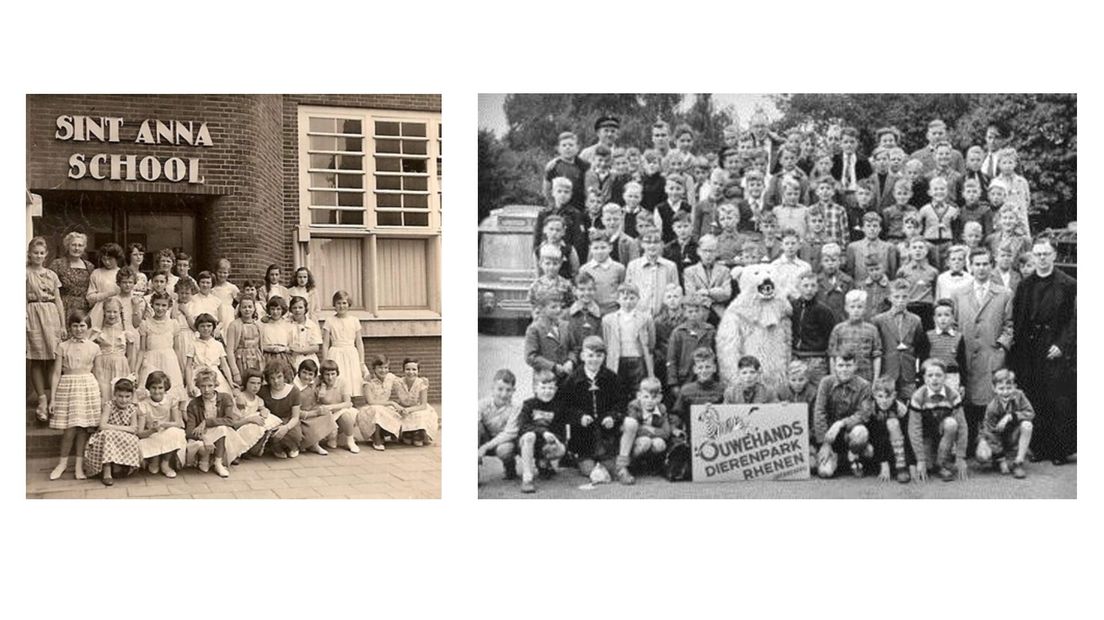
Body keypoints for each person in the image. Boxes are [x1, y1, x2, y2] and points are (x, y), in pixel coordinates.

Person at [1012, 235, 1076, 465]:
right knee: (1035, 396)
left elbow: (1074, 320)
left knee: (1058, 399)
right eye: (1037, 254)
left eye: (1045, 254)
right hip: (1031, 348)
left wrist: (1062, 344)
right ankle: (1039, 447)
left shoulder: (1068, 284)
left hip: (1055, 347)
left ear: (1054, 255)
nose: (1041, 258)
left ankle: (1059, 450)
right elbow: (1018, 319)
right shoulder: (1025, 285)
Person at [561, 336, 636, 484]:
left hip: (606, 434)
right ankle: (588, 464)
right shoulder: (572, 380)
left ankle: (621, 467)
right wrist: (579, 417)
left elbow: (621, 403)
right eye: (590, 355)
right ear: (582, 356)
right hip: (583, 436)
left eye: (599, 356)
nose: (594, 360)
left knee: (611, 467)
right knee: (590, 469)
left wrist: (612, 417)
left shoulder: (612, 378)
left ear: (604, 357)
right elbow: (565, 408)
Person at [48, 310, 102, 480]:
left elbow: (99, 373)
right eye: (75, 326)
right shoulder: (63, 346)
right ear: (70, 327)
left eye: (82, 325)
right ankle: (62, 463)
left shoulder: (94, 347)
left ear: (88, 327)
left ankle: (79, 466)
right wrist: (53, 398)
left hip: (87, 386)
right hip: (68, 386)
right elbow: (56, 373)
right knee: (69, 429)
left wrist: (102, 396)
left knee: (82, 428)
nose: (79, 329)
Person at [813, 351, 874, 478]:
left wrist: (841, 424)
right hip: (829, 435)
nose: (844, 369)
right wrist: (825, 444)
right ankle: (840, 459)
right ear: (834, 365)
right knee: (825, 472)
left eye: (848, 365)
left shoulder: (864, 385)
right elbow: (819, 412)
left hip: (849, 433)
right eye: (840, 365)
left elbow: (863, 414)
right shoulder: (826, 382)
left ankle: (853, 455)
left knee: (862, 435)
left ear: (855, 366)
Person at [908, 358, 968, 482]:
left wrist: (960, 457)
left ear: (945, 377)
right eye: (930, 375)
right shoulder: (918, 397)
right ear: (924, 378)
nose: (934, 378)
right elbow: (914, 430)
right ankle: (930, 460)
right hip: (926, 435)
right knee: (928, 466)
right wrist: (920, 459)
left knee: (952, 424)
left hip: (942, 433)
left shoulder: (953, 395)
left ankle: (942, 463)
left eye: (938, 375)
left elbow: (962, 426)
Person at [27, 237, 66, 421]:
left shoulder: (51, 274)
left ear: (46, 255)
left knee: (52, 358)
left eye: (42, 253)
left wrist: (63, 324)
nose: (39, 256)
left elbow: (58, 300)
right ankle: (42, 399)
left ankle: (52, 399)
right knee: (36, 359)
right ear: (29, 254)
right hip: (33, 314)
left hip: (51, 316)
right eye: (35, 252)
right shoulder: (24, 273)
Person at [871, 279, 926, 401]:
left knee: (910, 405)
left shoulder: (916, 320)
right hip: (888, 371)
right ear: (890, 297)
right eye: (896, 297)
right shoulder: (879, 320)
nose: (900, 300)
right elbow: (877, 348)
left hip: (908, 372)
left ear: (909, 298)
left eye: (904, 297)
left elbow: (918, 347)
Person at [185, 368, 247, 477]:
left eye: (210, 386)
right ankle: (205, 458)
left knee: (221, 429)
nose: (206, 390)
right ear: (198, 387)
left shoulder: (225, 398)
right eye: (203, 386)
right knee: (201, 455)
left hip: (221, 433)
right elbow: (189, 430)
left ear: (215, 385)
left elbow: (229, 420)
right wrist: (204, 438)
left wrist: (206, 422)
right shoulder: (193, 404)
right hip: (202, 436)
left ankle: (218, 462)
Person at [516, 369, 569, 493]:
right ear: (535, 388)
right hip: (527, 444)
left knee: (560, 448)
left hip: (545, 445)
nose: (547, 391)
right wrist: (543, 432)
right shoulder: (529, 404)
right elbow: (522, 426)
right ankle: (527, 477)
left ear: (555, 390)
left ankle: (543, 463)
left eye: (550, 388)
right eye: (543, 387)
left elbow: (561, 431)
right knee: (530, 436)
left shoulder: (558, 406)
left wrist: (557, 441)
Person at [976, 369, 1034, 479]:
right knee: (982, 456)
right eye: (1001, 388)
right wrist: (1001, 458)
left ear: (1015, 386)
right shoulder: (992, 407)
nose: (1005, 392)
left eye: (1009, 388)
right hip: (997, 436)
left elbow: (1030, 413)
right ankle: (998, 458)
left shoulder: (1020, 396)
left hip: (1012, 433)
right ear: (994, 389)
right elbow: (991, 433)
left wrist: (1010, 416)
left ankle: (1018, 461)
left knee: (1027, 425)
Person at [83, 377, 142, 485]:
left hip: (121, 437)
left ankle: (121, 464)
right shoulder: (109, 405)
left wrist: (115, 428)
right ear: (115, 394)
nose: (123, 400)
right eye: (120, 396)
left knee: (133, 439)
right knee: (108, 435)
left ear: (132, 396)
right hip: (106, 436)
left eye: (127, 397)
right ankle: (107, 470)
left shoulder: (132, 409)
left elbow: (134, 429)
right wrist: (124, 429)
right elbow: (102, 425)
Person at [601, 283, 655, 393]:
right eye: (624, 298)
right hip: (618, 359)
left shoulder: (645, 318)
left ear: (638, 299)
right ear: (618, 299)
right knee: (618, 388)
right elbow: (607, 341)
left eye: (632, 298)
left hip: (637, 359)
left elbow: (651, 342)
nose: (628, 302)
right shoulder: (608, 319)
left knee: (638, 388)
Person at [135, 371, 187, 478]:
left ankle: (165, 463)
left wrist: (163, 424)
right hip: (151, 434)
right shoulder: (143, 404)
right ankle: (154, 460)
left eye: (160, 388)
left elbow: (177, 423)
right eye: (153, 387)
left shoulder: (171, 400)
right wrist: (152, 430)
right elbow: (139, 433)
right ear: (149, 388)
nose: (157, 391)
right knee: (154, 440)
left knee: (176, 432)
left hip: (166, 431)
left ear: (165, 388)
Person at [665, 294, 716, 399]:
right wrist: (673, 383)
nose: (694, 315)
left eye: (697, 311)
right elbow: (672, 359)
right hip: (685, 377)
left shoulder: (710, 331)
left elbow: (717, 356)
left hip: (705, 376)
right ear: (684, 313)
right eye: (690, 312)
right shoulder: (678, 333)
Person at [136, 292, 185, 402]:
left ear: (169, 307)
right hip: (151, 361)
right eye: (157, 304)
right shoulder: (145, 324)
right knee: (150, 392)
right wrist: (136, 369)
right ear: (152, 305)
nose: (160, 308)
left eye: (164, 305)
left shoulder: (173, 324)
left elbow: (177, 349)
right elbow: (142, 349)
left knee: (171, 394)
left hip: (170, 361)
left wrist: (182, 368)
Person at [90, 297, 139, 404]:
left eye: (115, 312)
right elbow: (92, 355)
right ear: (104, 312)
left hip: (120, 367)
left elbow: (130, 356)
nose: (112, 315)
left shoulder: (126, 333)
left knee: (120, 396)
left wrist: (131, 375)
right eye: (108, 311)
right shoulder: (98, 333)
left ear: (120, 312)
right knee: (104, 395)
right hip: (102, 367)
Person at [827, 290, 882, 382]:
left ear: (864, 309)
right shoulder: (838, 329)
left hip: (865, 375)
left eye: (859, 307)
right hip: (844, 375)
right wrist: (834, 378)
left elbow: (877, 356)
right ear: (846, 308)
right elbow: (832, 356)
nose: (856, 310)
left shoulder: (872, 330)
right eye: (852, 307)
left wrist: (876, 379)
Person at [322, 290, 368, 398]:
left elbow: (359, 343)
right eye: (338, 303)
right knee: (338, 380)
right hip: (336, 353)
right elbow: (325, 344)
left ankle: (352, 406)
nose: (341, 306)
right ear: (334, 305)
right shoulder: (329, 321)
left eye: (344, 303)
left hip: (351, 354)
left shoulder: (354, 320)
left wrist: (361, 362)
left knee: (352, 382)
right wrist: (325, 361)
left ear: (348, 304)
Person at [478, 369, 521, 481]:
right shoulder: (482, 404)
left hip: (504, 440)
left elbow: (509, 433)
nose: (504, 394)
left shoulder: (516, 407)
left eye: (508, 390)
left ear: (514, 390)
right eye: (500, 389)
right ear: (492, 389)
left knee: (504, 450)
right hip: (486, 437)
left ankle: (510, 467)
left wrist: (484, 447)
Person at [625, 229, 679, 317]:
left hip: (663, 317)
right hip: (639, 315)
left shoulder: (670, 266)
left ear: (662, 244)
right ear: (642, 244)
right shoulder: (633, 266)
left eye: (656, 242)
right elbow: (628, 292)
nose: (652, 246)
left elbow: (675, 292)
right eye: (648, 242)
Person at [290, 360, 339, 456]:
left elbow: (322, 379)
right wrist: (314, 413)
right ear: (299, 372)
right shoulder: (294, 388)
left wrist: (323, 387)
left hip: (312, 411)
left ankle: (314, 443)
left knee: (327, 415)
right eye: (304, 373)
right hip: (299, 416)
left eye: (310, 374)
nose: (307, 377)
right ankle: (307, 444)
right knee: (310, 423)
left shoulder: (313, 382)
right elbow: (294, 411)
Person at [524, 292, 575, 382]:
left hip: (566, 377)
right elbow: (530, 357)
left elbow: (573, 348)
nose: (558, 310)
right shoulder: (534, 329)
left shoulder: (566, 325)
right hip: (544, 378)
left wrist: (570, 361)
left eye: (560, 307)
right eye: (553, 307)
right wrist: (552, 366)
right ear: (543, 309)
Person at [778, 360, 819, 472]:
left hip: (808, 436)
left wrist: (809, 435)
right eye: (793, 380)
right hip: (785, 437)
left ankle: (811, 452)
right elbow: (773, 416)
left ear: (807, 379)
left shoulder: (813, 392)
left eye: (801, 380)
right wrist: (779, 406)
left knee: (813, 466)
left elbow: (816, 418)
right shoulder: (781, 391)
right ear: (788, 379)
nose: (797, 383)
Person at [231, 369, 282, 458]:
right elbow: (234, 424)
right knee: (255, 422)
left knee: (267, 419)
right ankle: (238, 451)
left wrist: (264, 411)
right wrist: (250, 420)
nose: (256, 387)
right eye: (252, 383)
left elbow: (263, 409)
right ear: (246, 383)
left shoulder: (258, 400)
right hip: (239, 430)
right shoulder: (240, 399)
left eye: (258, 384)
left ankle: (252, 449)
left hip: (251, 431)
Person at [682, 234, 732, 325]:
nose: (708, 255)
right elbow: (692, 295)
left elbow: (727, 293)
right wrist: (714, 296)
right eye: (705, 251)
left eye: (712, 251)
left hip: (719, 313)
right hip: (697, 313)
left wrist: (707, 292)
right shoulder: (689, 272)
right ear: (698, 251)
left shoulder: (725, 271)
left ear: (717, 252)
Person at [258, 361, 304, 459]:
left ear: (284, 376)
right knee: (273, 435)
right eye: (272, 378)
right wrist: (262, 408)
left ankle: (293, 447)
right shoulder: (264, 390)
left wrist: (286, 428)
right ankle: (276, 448)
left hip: (289, 420)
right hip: (273, 421)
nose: (276, 381)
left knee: (295, 435)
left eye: (279, 377)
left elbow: (295, 417)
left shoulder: (294, 391)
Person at [869, 376, 911, 483]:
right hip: (877, 447)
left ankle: (901, 467)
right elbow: (874, 437)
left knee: (893, 422)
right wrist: (883, 462)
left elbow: (908, 435)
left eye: (888, 397)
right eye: (880, 396)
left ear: (894, 395)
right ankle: (880, 466)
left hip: (897, 445)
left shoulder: (901, 409)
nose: (884, 401)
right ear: (874, 395)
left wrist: (912, 463)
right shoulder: (871, 409)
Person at [314, 360, 361, 453]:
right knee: (331, 443)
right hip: (326, 413)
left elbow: (348, 402)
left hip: (340, 410)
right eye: (327, 374)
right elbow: (315, 403)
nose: (330, 377)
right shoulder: (318, 384)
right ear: (322, 375)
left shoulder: (342, 382)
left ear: (337, 373)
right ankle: (331, 437)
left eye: (333, 374)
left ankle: (350, 441)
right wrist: (321, 388)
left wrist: (332, 407)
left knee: (346, 416)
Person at [361, 354, 405, 451]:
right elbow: (371, 401)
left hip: (386, 407)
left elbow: (403, 382)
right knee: (377, 410)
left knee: (398, 410)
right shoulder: (368, 381)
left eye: (386, 368)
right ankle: (377, 440)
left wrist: (421, 380)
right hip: (370, 410)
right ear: (374, 368)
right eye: (380, 368)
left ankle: (392, 433)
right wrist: (392, 403)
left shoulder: (390, 377)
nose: (383, 370)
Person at [579, 228, 625, 315]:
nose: (599, 251)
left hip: (613, 310)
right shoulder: (584, 269)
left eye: (603, 247)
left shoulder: (619, 268)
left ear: (610, 248)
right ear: (590, 248)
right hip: (591, 310)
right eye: (596, 248)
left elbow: (622, 290)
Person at [394, 358, 438, 446]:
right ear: (403, 370)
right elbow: (385, 379)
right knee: (407, 441)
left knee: (420, 415)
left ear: (418, 371)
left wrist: (410, 409)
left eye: (414, 369)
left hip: (418, 408)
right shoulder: (397, 382)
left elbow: (423, 405)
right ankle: (407, 433)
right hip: (403, 407)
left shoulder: (421, 383)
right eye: (408, 369)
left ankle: (419, 433)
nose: (411, 372)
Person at [897, 236, 938, 331]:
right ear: (909, 251)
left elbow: (935, 291)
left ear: (926, 251)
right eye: (914, 248)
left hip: (926, 308)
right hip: (910, 306)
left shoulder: (933, 271)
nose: (917, 250)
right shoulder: (903, 271)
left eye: (921, 247)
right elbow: (898, 290)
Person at [188, 313, 235, 395]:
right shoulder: (193, 344)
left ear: (213, 327)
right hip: (198, 375)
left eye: (209, 326)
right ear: (197, 328)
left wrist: (230, 382)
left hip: (215, 375)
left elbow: (224, 365)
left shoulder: (218, 344)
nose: (206, 328)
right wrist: (190, 384)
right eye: (202, 326)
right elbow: (188, 366)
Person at [50, 231, 94, 316]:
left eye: (80, 245)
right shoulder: (57, 264)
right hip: (63, 308)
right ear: (67, 246)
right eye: (73, 245)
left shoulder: (89, 266)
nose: (76, 248)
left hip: (84, 309)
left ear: (84, 247)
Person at [926, 300, 966, 393]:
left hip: (952, 378)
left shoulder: (958, 337)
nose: (943, 319)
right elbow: (924, 360)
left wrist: (962, 384)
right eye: (939, 315)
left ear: (952, 318)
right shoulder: (928, 336)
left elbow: (962, 362)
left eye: (947, 315)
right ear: (934, 318)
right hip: (933, 377)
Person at [543, 132, 590, 211]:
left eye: (571, 145)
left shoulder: (584, 165)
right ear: (558, 148)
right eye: (564, 145)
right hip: (559, 208)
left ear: (577, 148)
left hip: (579, 208)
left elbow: (588, 188)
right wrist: (553, 205)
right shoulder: (553, 166)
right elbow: (547, 190)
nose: (567, 148)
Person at [845, 212, 897, 283]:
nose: (872, 229)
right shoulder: (853, 247)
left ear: (880, 229)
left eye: (875, 226)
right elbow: (850, 273)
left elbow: (893, 274)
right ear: (863, 228)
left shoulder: (889, 247)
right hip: (861, 288)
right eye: (868, 226)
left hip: (883, 287)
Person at [224, 296, 263, 389]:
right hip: (241, 360)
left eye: (250, 307)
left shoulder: (257, 325)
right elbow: (229, 351)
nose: (247, 310)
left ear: (254, 308)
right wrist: (235, 372)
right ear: (239, 309)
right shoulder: (234, 325)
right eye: (244, 307)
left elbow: (260, 347)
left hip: (256, 359)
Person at [528, 242, 575, 310]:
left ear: (560, 264)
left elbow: (571, 305)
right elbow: (532, 306)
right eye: (547, 263)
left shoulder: (566, 285)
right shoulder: (535, 286)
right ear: (541, 264)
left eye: (555, 264)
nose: (551, 267)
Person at [287, 296, 323, 372]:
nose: (297, 310)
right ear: (290, 309)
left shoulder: (311, 325)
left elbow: (316, 348)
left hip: (308, 359)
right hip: (291, 359)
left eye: (300, 307)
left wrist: (299, 350)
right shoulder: (286, 323)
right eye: (294, 308)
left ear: (305, 309)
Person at [259, 295, 293, 372]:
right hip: (267, 356)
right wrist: (268, 348)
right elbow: (259, 344)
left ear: (282, 310)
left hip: (283, 356)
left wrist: (283, 349)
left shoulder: (288, 324)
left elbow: (291, 344)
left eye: (278, 309)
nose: (275, 312)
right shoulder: (263, 324)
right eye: (272, 309)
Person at [86, 242, 124, 307]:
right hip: (100, 309)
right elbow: (89, 298)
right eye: (104, 259)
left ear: (117, 258)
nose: (107, 262)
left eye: (110, 259)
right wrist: (108, 294)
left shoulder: (123, 273)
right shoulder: (96, 273)